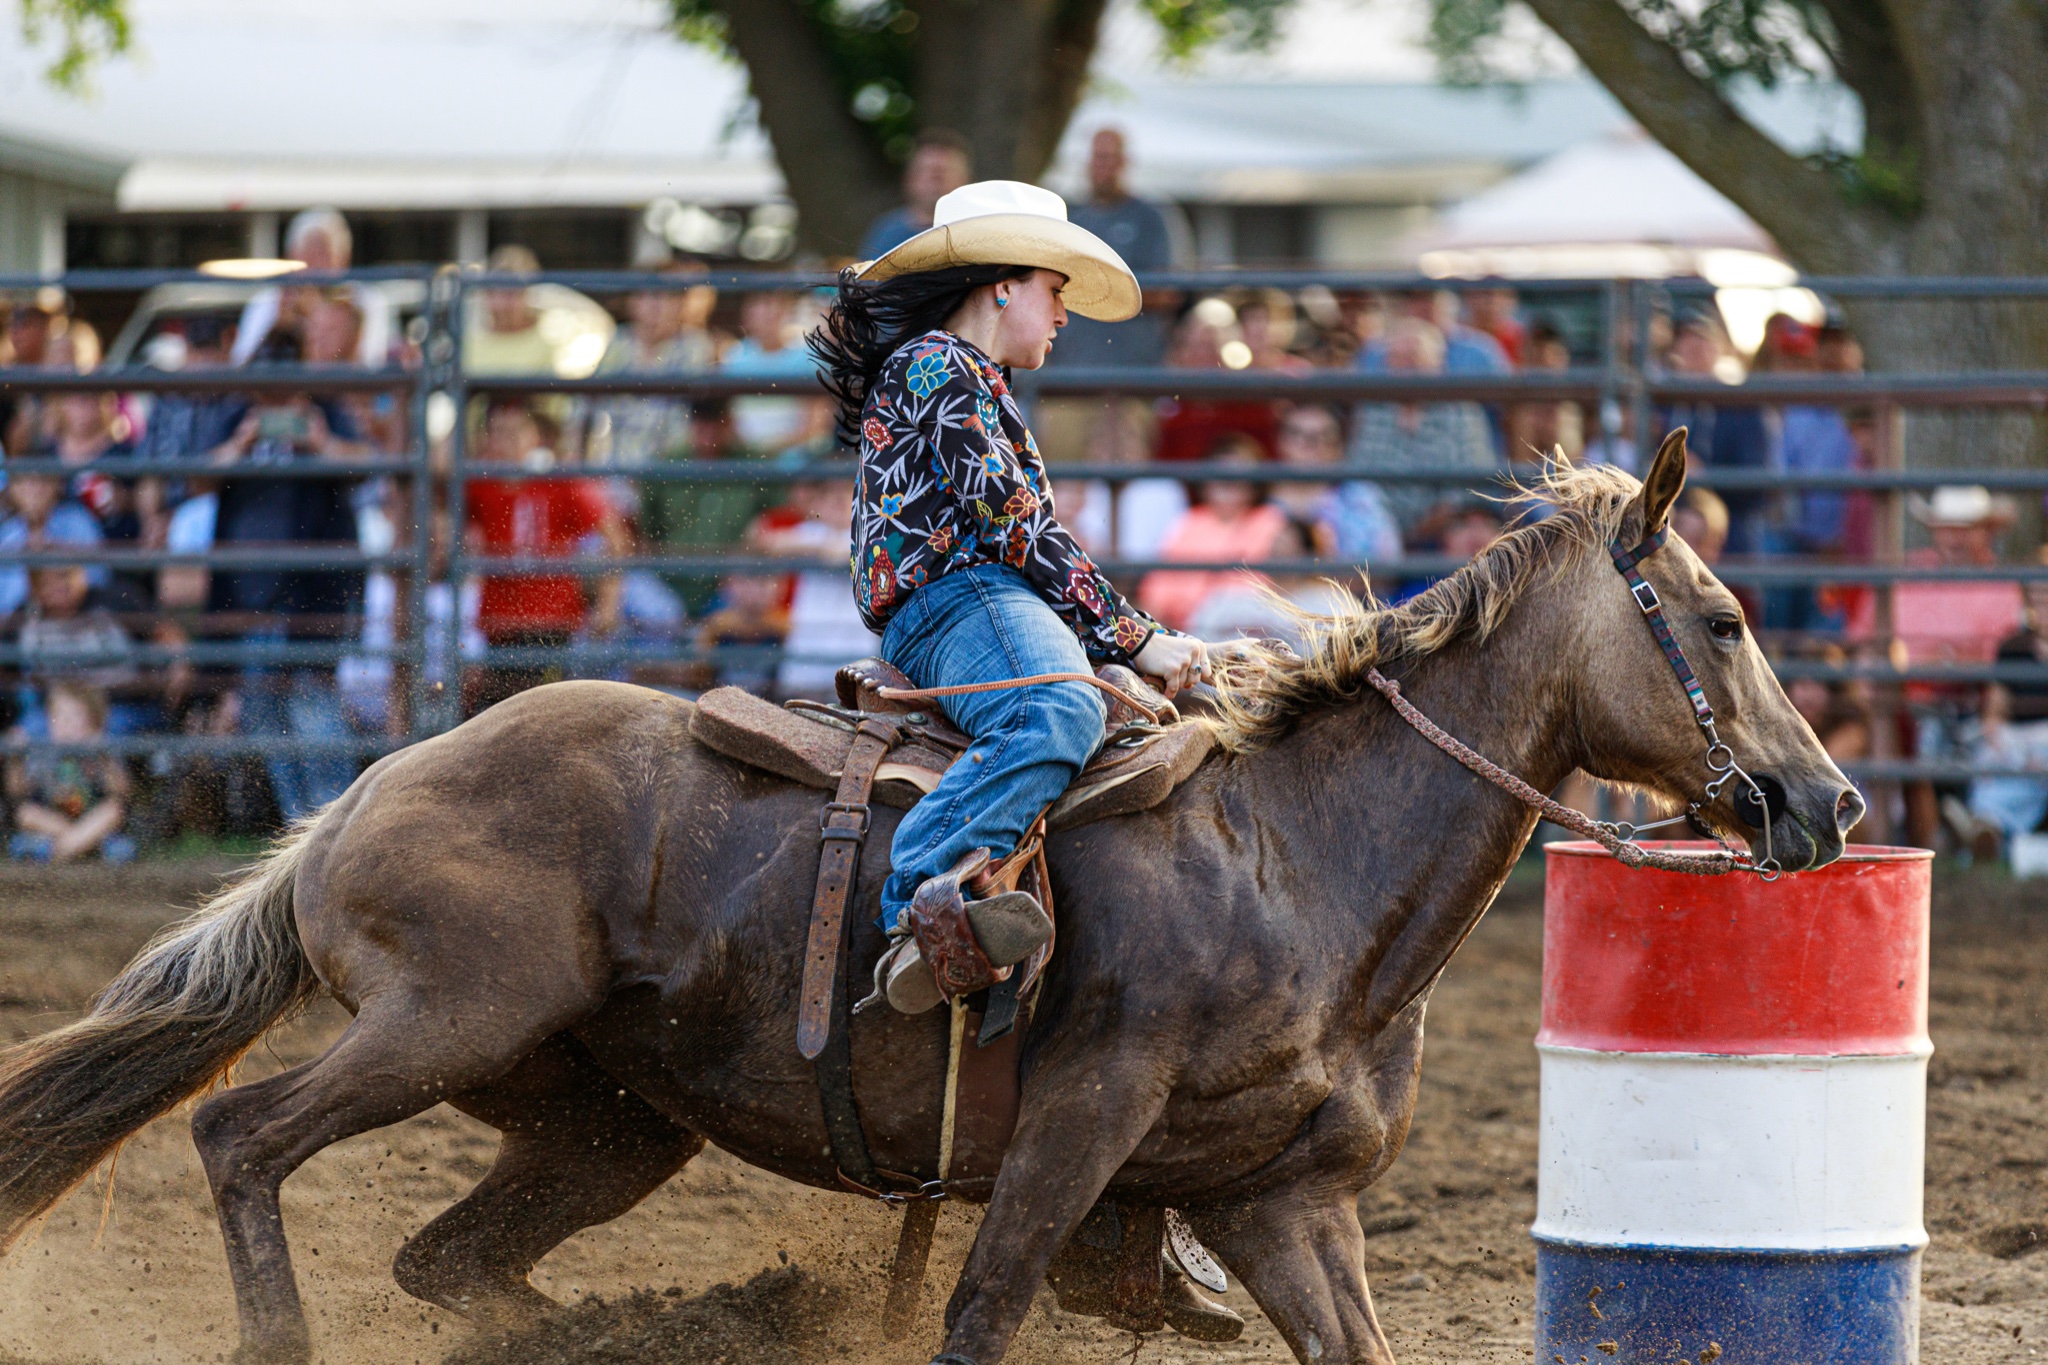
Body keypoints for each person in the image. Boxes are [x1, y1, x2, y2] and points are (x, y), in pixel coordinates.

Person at [815, 178, 1206, 1016]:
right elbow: (1014, 526)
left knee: (1105, 712)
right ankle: (918, 898)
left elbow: (1018, 532)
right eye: (1054, 291)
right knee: (1058, 711)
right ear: (1004, 285)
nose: (1064, 316)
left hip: (978, 599)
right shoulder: (938, 367)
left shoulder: (961, 376)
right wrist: (1138, 639)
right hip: (959, 601)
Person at [462, 401, 629, 714]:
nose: (507, 441)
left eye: (516, 431)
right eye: (498, 432)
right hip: (499, 628)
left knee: (544, 717)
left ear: (534, 436)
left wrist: (608, 603)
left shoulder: (559, 481)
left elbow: (615, 537)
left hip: (552, 626)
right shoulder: (478, 484)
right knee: (495, 719)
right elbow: (439, 481)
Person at [1347, 317, 1498, 534]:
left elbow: (1471, 486)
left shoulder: (1463, 412)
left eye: (1414, 360)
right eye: (1398, 359)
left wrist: (1425, 529)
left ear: (1438, 364)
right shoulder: (1373, 412)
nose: (1406, 370)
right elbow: (1361, 477)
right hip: (1382, 531)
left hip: (1446, 531)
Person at [1137, 434, 1298, 632]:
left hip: (1256, 629)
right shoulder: (1188, 522)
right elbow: (1155, 595)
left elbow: (1288, 586)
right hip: (1191, 632)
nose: (1228, 482)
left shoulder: (1272, 521)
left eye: (1237, 475)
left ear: (1255, 484)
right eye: (1220, 474)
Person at [230, 208, 394, 368]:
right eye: (308, 252)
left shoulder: (368, 301)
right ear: (292, 256)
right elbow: (241, 365)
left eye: (323, 252)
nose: (316, 263)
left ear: (344, 257)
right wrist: (279, 327)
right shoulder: (268, 302)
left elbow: (372, 365)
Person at [5, 680, 133, 863]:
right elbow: (18, 792)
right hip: (55, 829)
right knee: (26, 813)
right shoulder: (43, 752)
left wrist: (104, 758)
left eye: (74, 717)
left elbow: (122, 792)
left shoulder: (101, 752)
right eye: (58, 717)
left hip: (93, 825)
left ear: (94, 722)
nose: (65, 724)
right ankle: (82, 847)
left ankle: (62, 851)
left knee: (113, 810)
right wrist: (16, 762)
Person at [859, 130, 974, 261]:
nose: (935, 179)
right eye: (927, 170)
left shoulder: (983, 231)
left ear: (966, 180)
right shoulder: (885, 233)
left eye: (945, 171)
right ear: (909, 177)